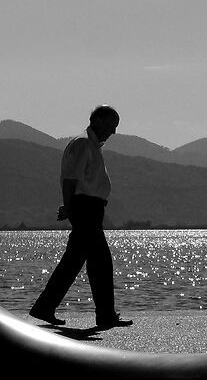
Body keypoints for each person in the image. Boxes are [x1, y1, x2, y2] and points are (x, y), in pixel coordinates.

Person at [28, 105, 132, 330]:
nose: (113, 132)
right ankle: (103, 315)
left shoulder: (91, 145)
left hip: (89, 208)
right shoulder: (83, 143)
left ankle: (46, 306)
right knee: (99, 261)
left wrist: (69, 206)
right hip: (85, 208)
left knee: (78, 260)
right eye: (112, 126)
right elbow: (70, 179)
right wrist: (69, 206)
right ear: (99, 121)